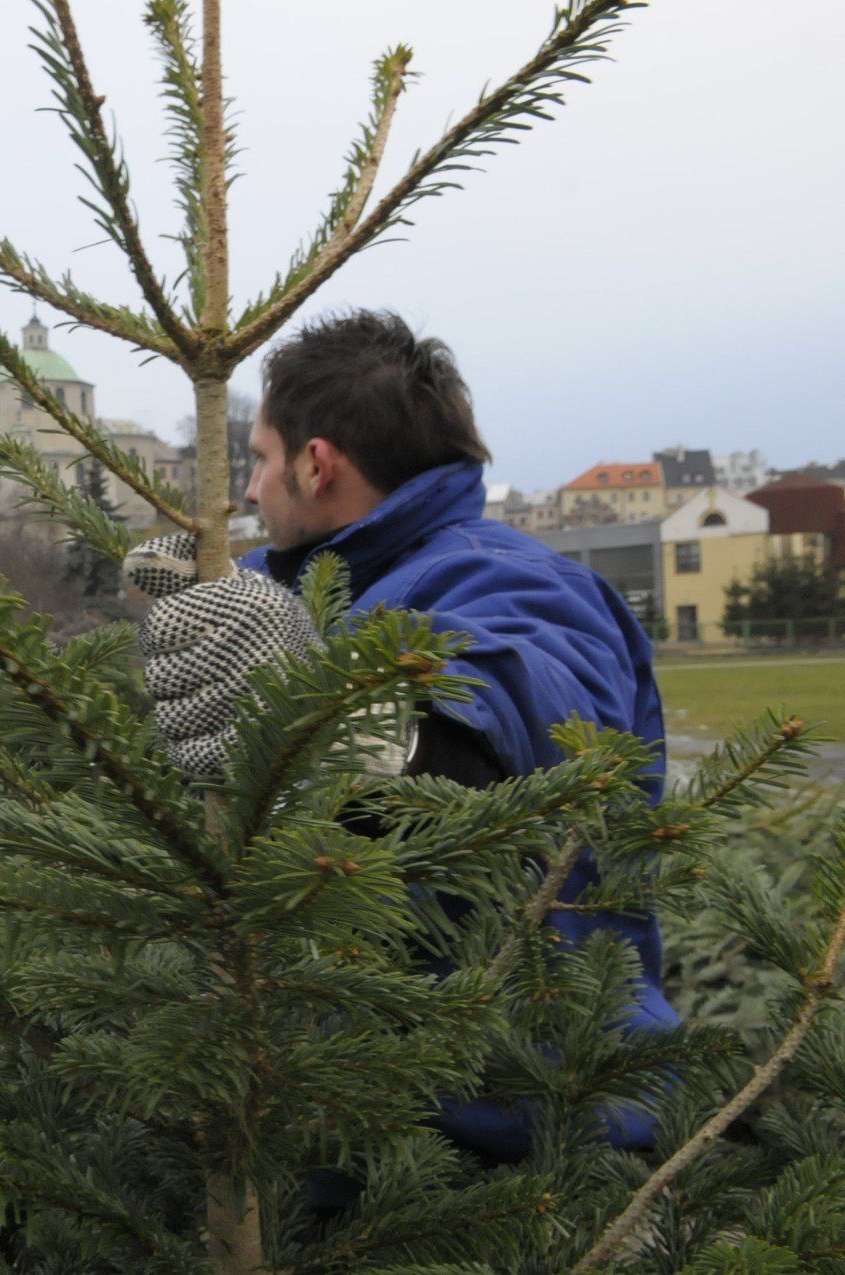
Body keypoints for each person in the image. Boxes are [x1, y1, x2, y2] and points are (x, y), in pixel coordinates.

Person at [124, 308, 674, 1162]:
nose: (245, 492)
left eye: (261, 460)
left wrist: (325, 712)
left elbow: (526, 726)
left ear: (317, 464)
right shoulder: (313, 585)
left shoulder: (517, 582)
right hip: (340, 1130)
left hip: (520, 1141)